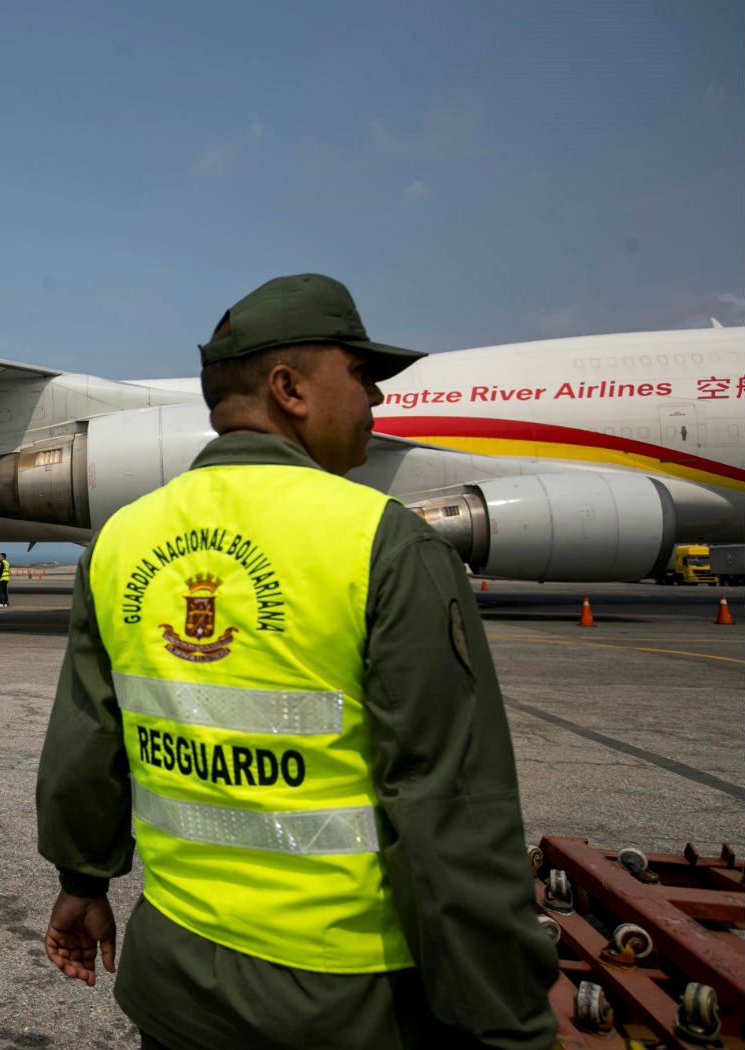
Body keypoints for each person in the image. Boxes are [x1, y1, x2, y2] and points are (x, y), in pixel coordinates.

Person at [35, 274, 557, 1050]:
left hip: (175, 988)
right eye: (361, 375)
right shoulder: (384, 542)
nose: (375, 401)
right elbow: (450, 810)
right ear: (289, 389)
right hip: (346, 1001)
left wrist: (81, 882)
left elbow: (85, 747)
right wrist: (507, 1023)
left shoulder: (122, 540)